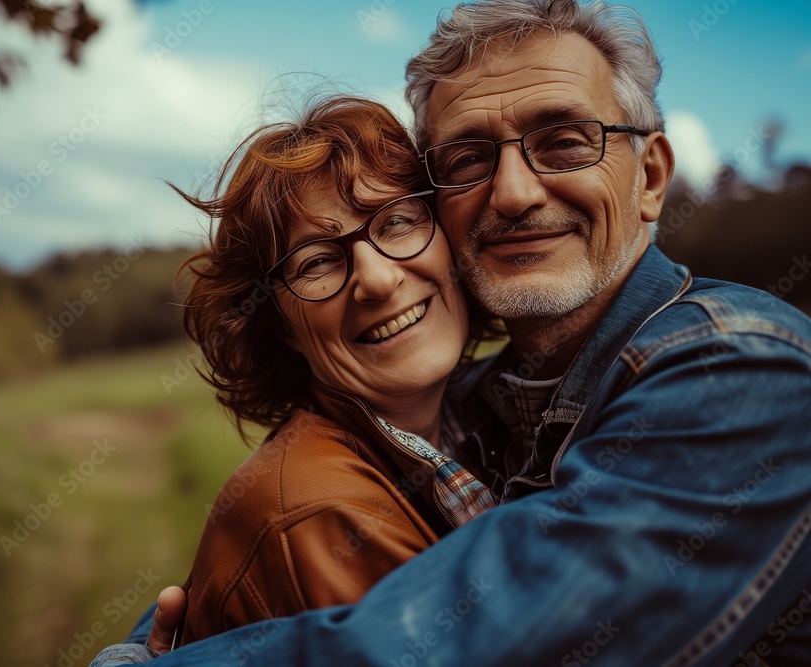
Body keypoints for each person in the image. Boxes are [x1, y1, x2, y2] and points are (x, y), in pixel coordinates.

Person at [103, 0, 811, 664]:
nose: (513, 192)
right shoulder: (474, 404)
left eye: (563, 142)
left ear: (651, 177)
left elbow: (463, 637)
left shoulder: (744, 367)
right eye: (469, 158)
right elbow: (273, 546)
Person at [93, 95, 501, 663]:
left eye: (399, 221)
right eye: (317, 262)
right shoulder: (319, 513)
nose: (378, 280)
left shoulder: (487, 423)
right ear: (280, 326)